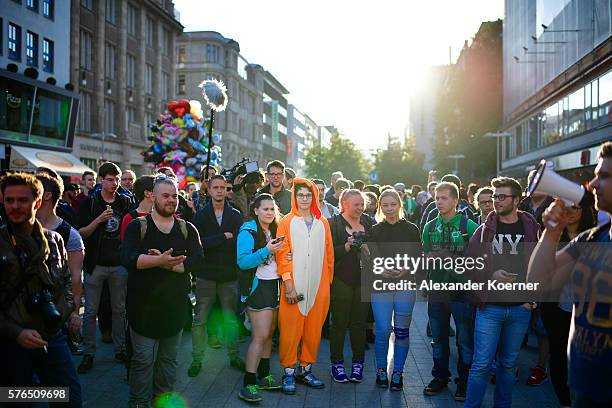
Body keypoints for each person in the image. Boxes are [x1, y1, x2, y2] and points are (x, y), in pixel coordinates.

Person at [528, 141, 612, 407]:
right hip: (584, 386)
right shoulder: (594, 238)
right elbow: (538, 283)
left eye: (605, 176)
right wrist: (552, 231)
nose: (593, 185)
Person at [120, 175, 204, 407]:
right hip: (142, 310)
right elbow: (127, 257)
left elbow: (199, 260)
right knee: (144, 361)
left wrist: (174, 266)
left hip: (174, 310)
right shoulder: (139, 226)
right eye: (165, 195)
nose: (171, 200)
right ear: (153, 197)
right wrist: (157, 262)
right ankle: (138, 402)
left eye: (175, 196)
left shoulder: (187, 229)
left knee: (168, 362)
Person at [0, 172, 82, 406]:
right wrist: (17, 332)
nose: (15, 206)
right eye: (9, 200)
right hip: (12, 343)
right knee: (17, 400)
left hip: (52, 339)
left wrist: (60, 317)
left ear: (37, 202)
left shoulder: (54, 240)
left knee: (68, 397)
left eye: (22, 200)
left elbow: (67, 284)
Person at [463, 177, 541, 408]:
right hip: (490, 308)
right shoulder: (484, 230)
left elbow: (541, 265)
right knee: (481, 364)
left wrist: (531, 299)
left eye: (502, 196)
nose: (496, 201)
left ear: (516, 200)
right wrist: (492, 275)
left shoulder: (531, 228)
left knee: (508, 364)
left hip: (520, 308)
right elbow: (469, 265)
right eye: (495, 196)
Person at [276, 178, 335, 394]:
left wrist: (326, 284)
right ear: (294, 196)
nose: (304, 199)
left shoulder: (323, 223)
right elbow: (282, 255)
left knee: (313, 332)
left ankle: (305, 369)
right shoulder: (286, 222)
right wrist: (289, 284)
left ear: (314, 197)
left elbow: (329, 256)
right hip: (294, 286)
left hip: (318, 287)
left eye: (308, 195)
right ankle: (289, 372)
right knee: (290, 331)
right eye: (300, 195)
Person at [538, 193, 596, 408]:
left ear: (585, 211)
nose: (570, 212)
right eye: (566, 208)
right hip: (557, 308)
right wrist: (550, 233)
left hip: (587, 313)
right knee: (559, 353)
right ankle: (564, 401)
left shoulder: (595, 237)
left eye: (576, 208)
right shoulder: (553, 236)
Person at [422, 181, 478, 401]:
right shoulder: (429, 226)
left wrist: (453, 258)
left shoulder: (469, 226)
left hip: (462, 292)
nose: (439, 202)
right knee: (438, 339)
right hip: (437, 290)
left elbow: (480, 260)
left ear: (455, 201)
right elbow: (425, 257)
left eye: (444, 198)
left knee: (464, 341)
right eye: (437, 197)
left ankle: (464, 383)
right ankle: (440, 377)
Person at [77, 162, 133, 373]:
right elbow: (81, 233)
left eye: (117, 179)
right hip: (95, 264)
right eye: (110, 179)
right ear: (101, 181)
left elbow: (131, 232)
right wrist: (99, 220)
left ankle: (120, 350)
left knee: (119, 310)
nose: (115, 183)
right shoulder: (90, 203)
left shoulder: (125, 201)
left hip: (119, 265)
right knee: (90, 311)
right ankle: (89, 352)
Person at [189, 175, 245, 376]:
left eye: (224, 187)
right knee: (200, 320)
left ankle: (234, 356)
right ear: (209, 190)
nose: (220, 191)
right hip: (206, 275)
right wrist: (223, 237)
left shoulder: (236, 215)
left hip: (229, 275)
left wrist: (214, 242)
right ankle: (197, 359)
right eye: (216, 187)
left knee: (231, 319)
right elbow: (198, 244)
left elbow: (238, 243)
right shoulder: (201, 216)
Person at [369, 189, 422, 390]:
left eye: (393, 204)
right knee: (382, 330)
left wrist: (405, 269)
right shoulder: (375, 230)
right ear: (380, 207)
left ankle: (398, 371)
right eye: (385, 205)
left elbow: (418, 258)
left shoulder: (411, 229)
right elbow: (369, 258)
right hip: (381, 285)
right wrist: (383, 269)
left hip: (405, 285)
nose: (389, 209)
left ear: (400, 205)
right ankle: (381, 370)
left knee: (401, 331)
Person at [236, 193, 284, 403]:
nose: (270, 212)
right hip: (257, 287)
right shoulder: (247, 231)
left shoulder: (276, 229)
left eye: (272, 209)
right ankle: (248, 383)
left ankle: (264, 375)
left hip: (275, 285)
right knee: (260, 335)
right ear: (255, 210)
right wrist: (266, 250)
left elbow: (279, 258)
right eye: (265, 209)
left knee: (270, 333)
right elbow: (243, 262)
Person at [34, 174, 85, 347]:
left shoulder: (69, 234)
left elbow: (75, 278)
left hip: (55, 315)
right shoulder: (15, 229)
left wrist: (74, 314)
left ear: (46, 195)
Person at [328, 189, 373, 383]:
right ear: (344, 203)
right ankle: (336, 364)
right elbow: (327, 255)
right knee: (339, 323)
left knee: (359, 324)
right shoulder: (333, 224)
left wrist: (368, 248)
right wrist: (346, 247)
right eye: (356, 204)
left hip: (363, 281)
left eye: (362, 204)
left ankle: (358, 364)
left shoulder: (369, 223)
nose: (360, 208)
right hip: (341, 280)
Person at [120, 175, 155, 241]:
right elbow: (126, 247)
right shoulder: (129, 218)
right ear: (147, 193)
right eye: (157, 190)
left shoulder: (161, 215)